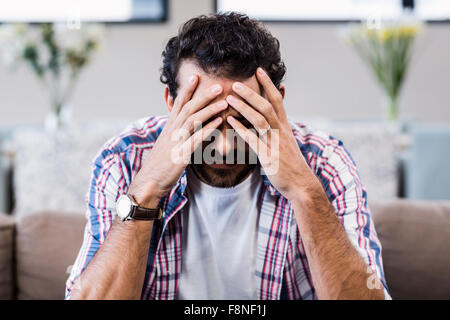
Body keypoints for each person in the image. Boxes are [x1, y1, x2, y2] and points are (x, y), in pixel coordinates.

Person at [65, 12, 390, 300]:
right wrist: (146, 189)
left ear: (277, 103)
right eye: (205, 120)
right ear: (171, 102)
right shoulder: (125, 159)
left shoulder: (323, 161)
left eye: (242, 120)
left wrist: (304, 191)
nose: (222, 148)